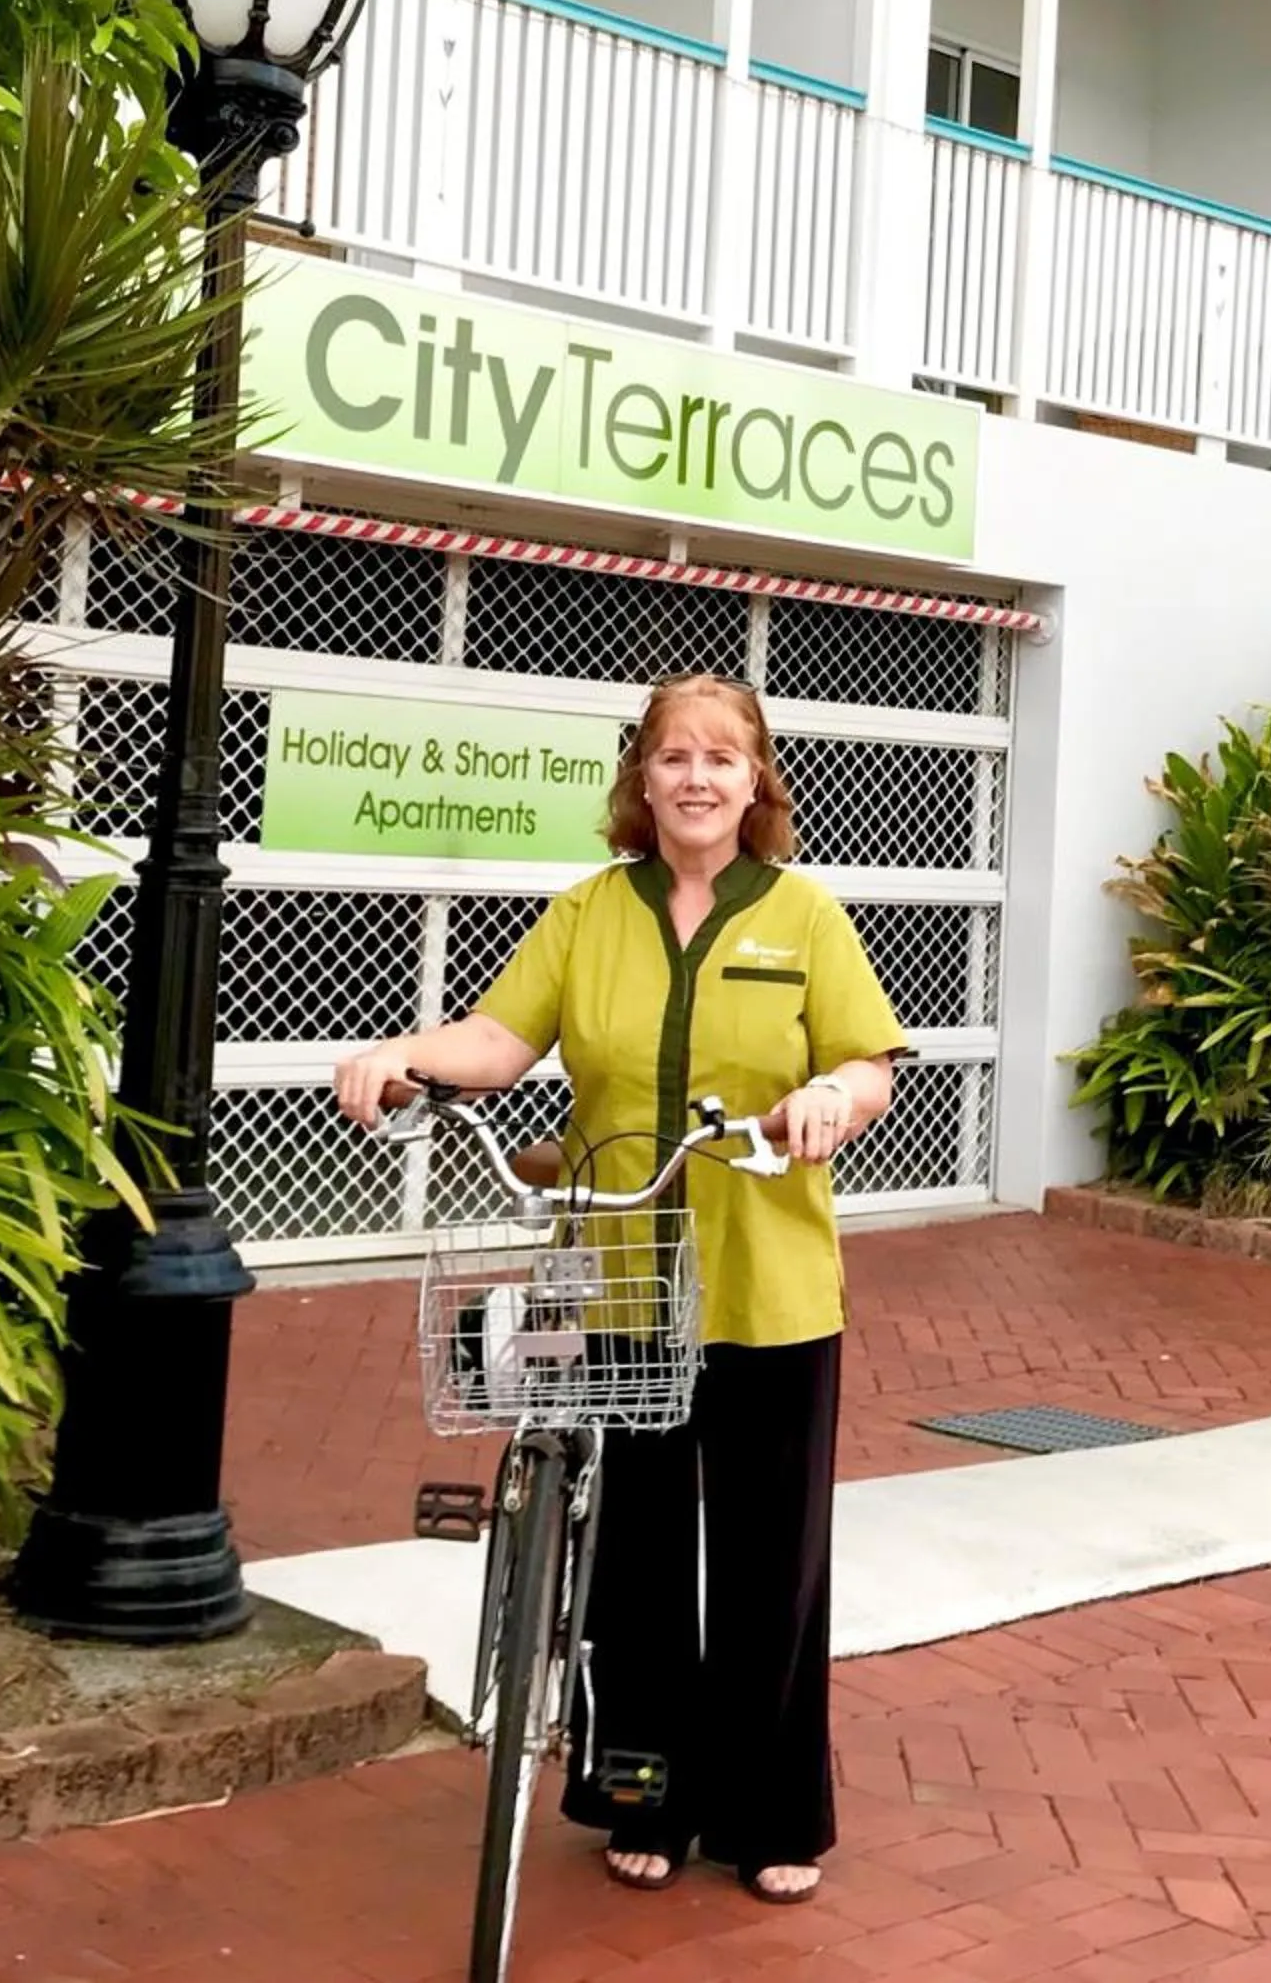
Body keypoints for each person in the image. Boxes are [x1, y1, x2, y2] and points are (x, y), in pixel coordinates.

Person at [332, 672, 906, 1906]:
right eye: (673, 756)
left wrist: (827, 1100)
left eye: (721, 756)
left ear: (757, 781)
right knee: (634, 1558)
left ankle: (767, 1810)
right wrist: (404, 1054)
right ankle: (644, 1790)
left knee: (771, 1558)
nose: (696, 777)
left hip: (769, 1283)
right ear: (639, 779)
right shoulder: (589, 911)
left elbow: (869, 1065)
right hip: (621, 1284)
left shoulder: (804, 915)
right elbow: (501, 1039)